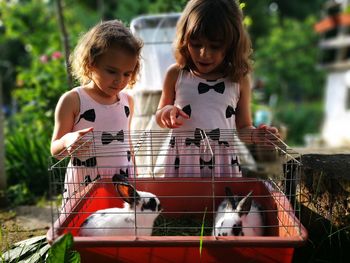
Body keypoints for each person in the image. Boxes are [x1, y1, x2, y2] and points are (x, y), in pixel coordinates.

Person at [156, 0, 279, 177]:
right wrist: (166, 113)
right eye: (196, 44)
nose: (204, 53)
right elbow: (159, 116)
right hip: (183, 161)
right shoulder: (176, 74)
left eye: (215, 46)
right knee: (183, 203)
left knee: (222, 204)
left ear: (231, 44)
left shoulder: (239, 79)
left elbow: (243, 127)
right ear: (184, 39)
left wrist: (257, 136)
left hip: (223, 163)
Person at [51, 20, 143, 203]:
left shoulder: (127, 101)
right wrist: (68, 140)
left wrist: (136, 172)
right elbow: (55, 149)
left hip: (121, 179)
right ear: (91, 63)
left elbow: (127, 142)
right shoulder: (73, 100)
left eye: (127, 74)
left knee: (117, 223)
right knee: (83, 225)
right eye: (112, 71)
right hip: (85, 181)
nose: (120, 81)